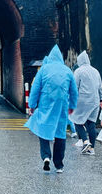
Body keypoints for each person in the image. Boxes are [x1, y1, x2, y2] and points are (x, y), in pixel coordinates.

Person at [25, 45, 78, 173]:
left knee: (42, 129)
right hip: (61, 107)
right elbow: (74, 91)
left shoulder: (43, 70)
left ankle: (46, 156)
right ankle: (59, 165)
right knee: (60, 134)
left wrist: (32, 106)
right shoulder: (67, 71)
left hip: (45, 106)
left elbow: (35, 89)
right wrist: (72, 106)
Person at [69, 50, 102, 155]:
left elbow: (74, 87)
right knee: (91, 124)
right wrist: (101, 99)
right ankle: (91, 149)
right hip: (95, 101)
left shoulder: (79, 71)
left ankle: (85, 141)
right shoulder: (96, 71)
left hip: (83, 100)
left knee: (76, 119)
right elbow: (100, 87)